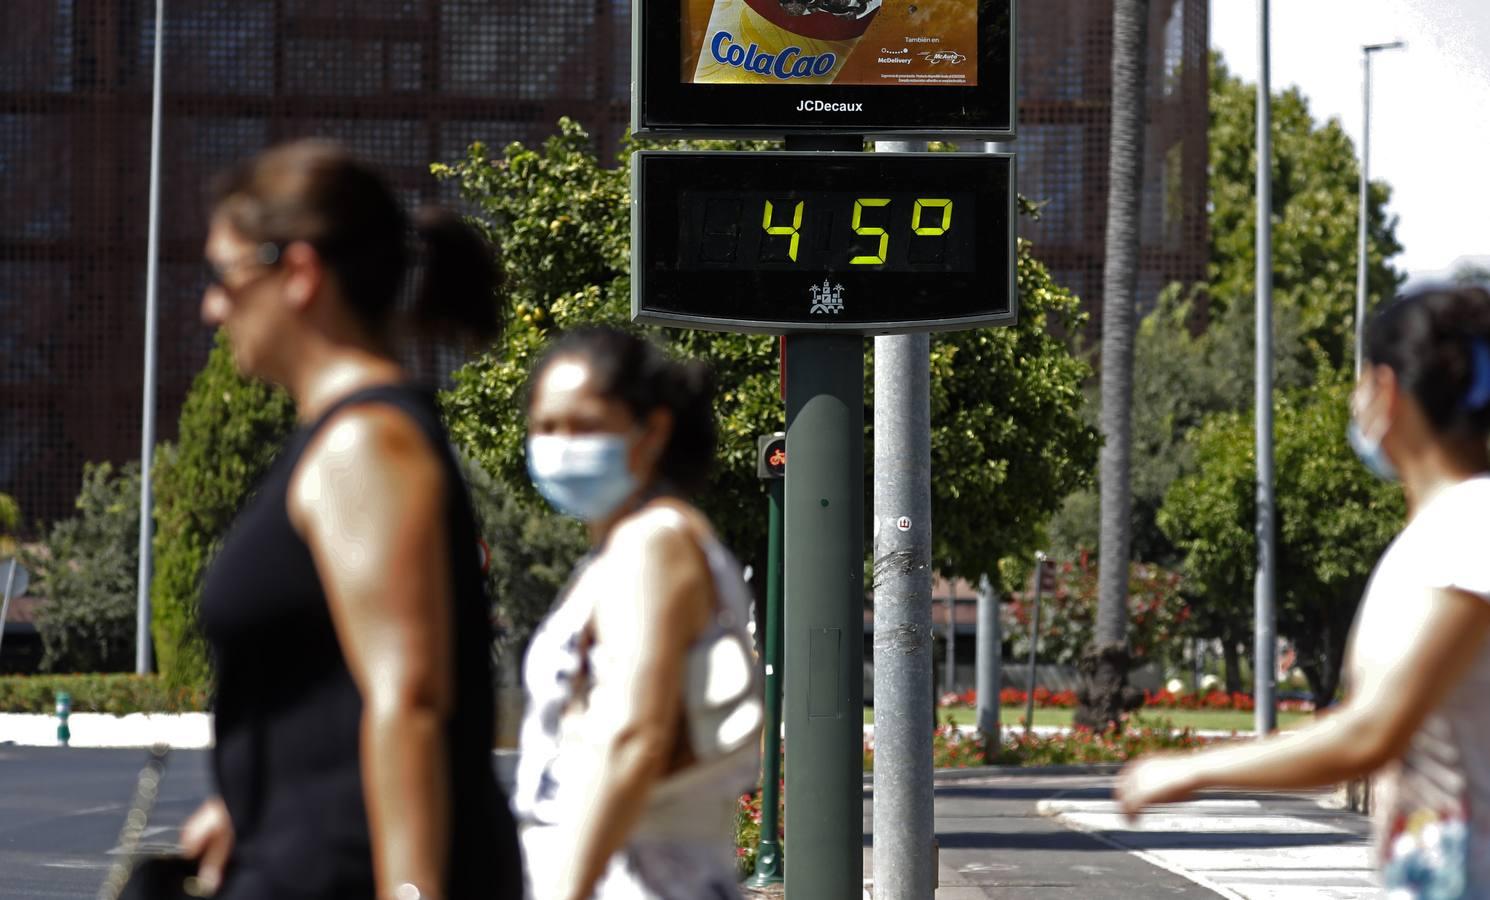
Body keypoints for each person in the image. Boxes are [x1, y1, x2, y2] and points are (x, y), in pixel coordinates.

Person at [177, 140, 523, 899]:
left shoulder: (366, 444)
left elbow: (411, 700)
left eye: (225, 278)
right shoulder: (339, 439)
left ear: (298, 274)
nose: (211, 307)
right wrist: (250, 806)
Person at [1117, 286, 1490, 897]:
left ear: (1386, 390)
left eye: (1359, 379)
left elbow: (1371, 732)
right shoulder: (1442, 533)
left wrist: (1192, 769)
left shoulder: (1470, 528)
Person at [512, 327, 762, 900]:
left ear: (652, 433)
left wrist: (567, 890)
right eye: (546, 426)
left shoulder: (654, 544)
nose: (561, 444)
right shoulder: (626, 549)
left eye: (586, 425)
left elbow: (633, 736)